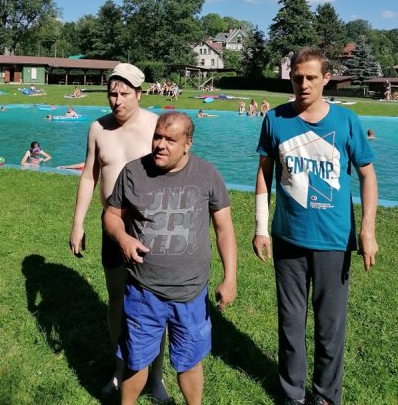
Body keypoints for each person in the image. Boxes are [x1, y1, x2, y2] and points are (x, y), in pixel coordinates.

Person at [253, 47, 378, 405]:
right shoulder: (275, 119)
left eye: (311, 77)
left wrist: (367, 230)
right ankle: (292, 395)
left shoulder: (346, 122)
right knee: (290, 323)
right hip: (288, 237)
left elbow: (368, 176)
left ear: (326, 78)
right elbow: (264, 173)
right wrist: (261, 226)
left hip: (333, 240)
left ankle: (325, 397)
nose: (304, 84)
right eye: (297, 78)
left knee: (329, 327)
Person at [104, 111, 237, 405]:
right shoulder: (133, 172)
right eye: (157, 137)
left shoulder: (207, 175)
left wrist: (230, 278)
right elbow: (111, 215)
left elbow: (224, 228)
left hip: (190, 292)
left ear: (188, 143)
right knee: (136, 359)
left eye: (170, 140)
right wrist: (123, 238)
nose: (160, 145)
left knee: (189, 361)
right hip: (143, 289)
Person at [69, 63, 169, 401]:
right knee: (117, 300)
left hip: (149, 228)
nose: (117, 100)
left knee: (154, 304)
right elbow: (89, 175)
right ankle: (120, 368)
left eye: (125, 94)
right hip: (112, 227)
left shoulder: (156, 126)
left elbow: (175, 173)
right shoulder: (98, 128)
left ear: (139, 93)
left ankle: (156, 376)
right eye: (112, 93)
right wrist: (78, 223)